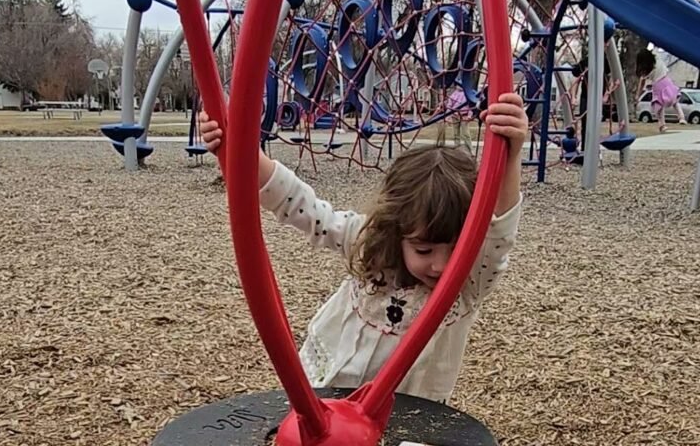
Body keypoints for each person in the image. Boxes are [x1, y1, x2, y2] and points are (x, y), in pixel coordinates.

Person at [199, 92, 528, 403]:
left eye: (455, 249)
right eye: (424, 250)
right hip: (328, 390)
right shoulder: (371, 243)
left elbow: (499, 237)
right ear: (395, 230)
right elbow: (304, 207)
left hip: (408, 415)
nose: (441, 267)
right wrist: (241, 152)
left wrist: (510, 157)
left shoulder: (469, 283)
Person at [635, 48, 686, 132]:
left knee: (659, 106)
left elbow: (642, 83)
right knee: (674, 100)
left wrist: (638, 94)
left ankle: (662, 125)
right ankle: (681, 117)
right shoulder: (657, 58)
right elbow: (656, 47)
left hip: (657, 85)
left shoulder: (646, 70)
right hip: (666, 80)